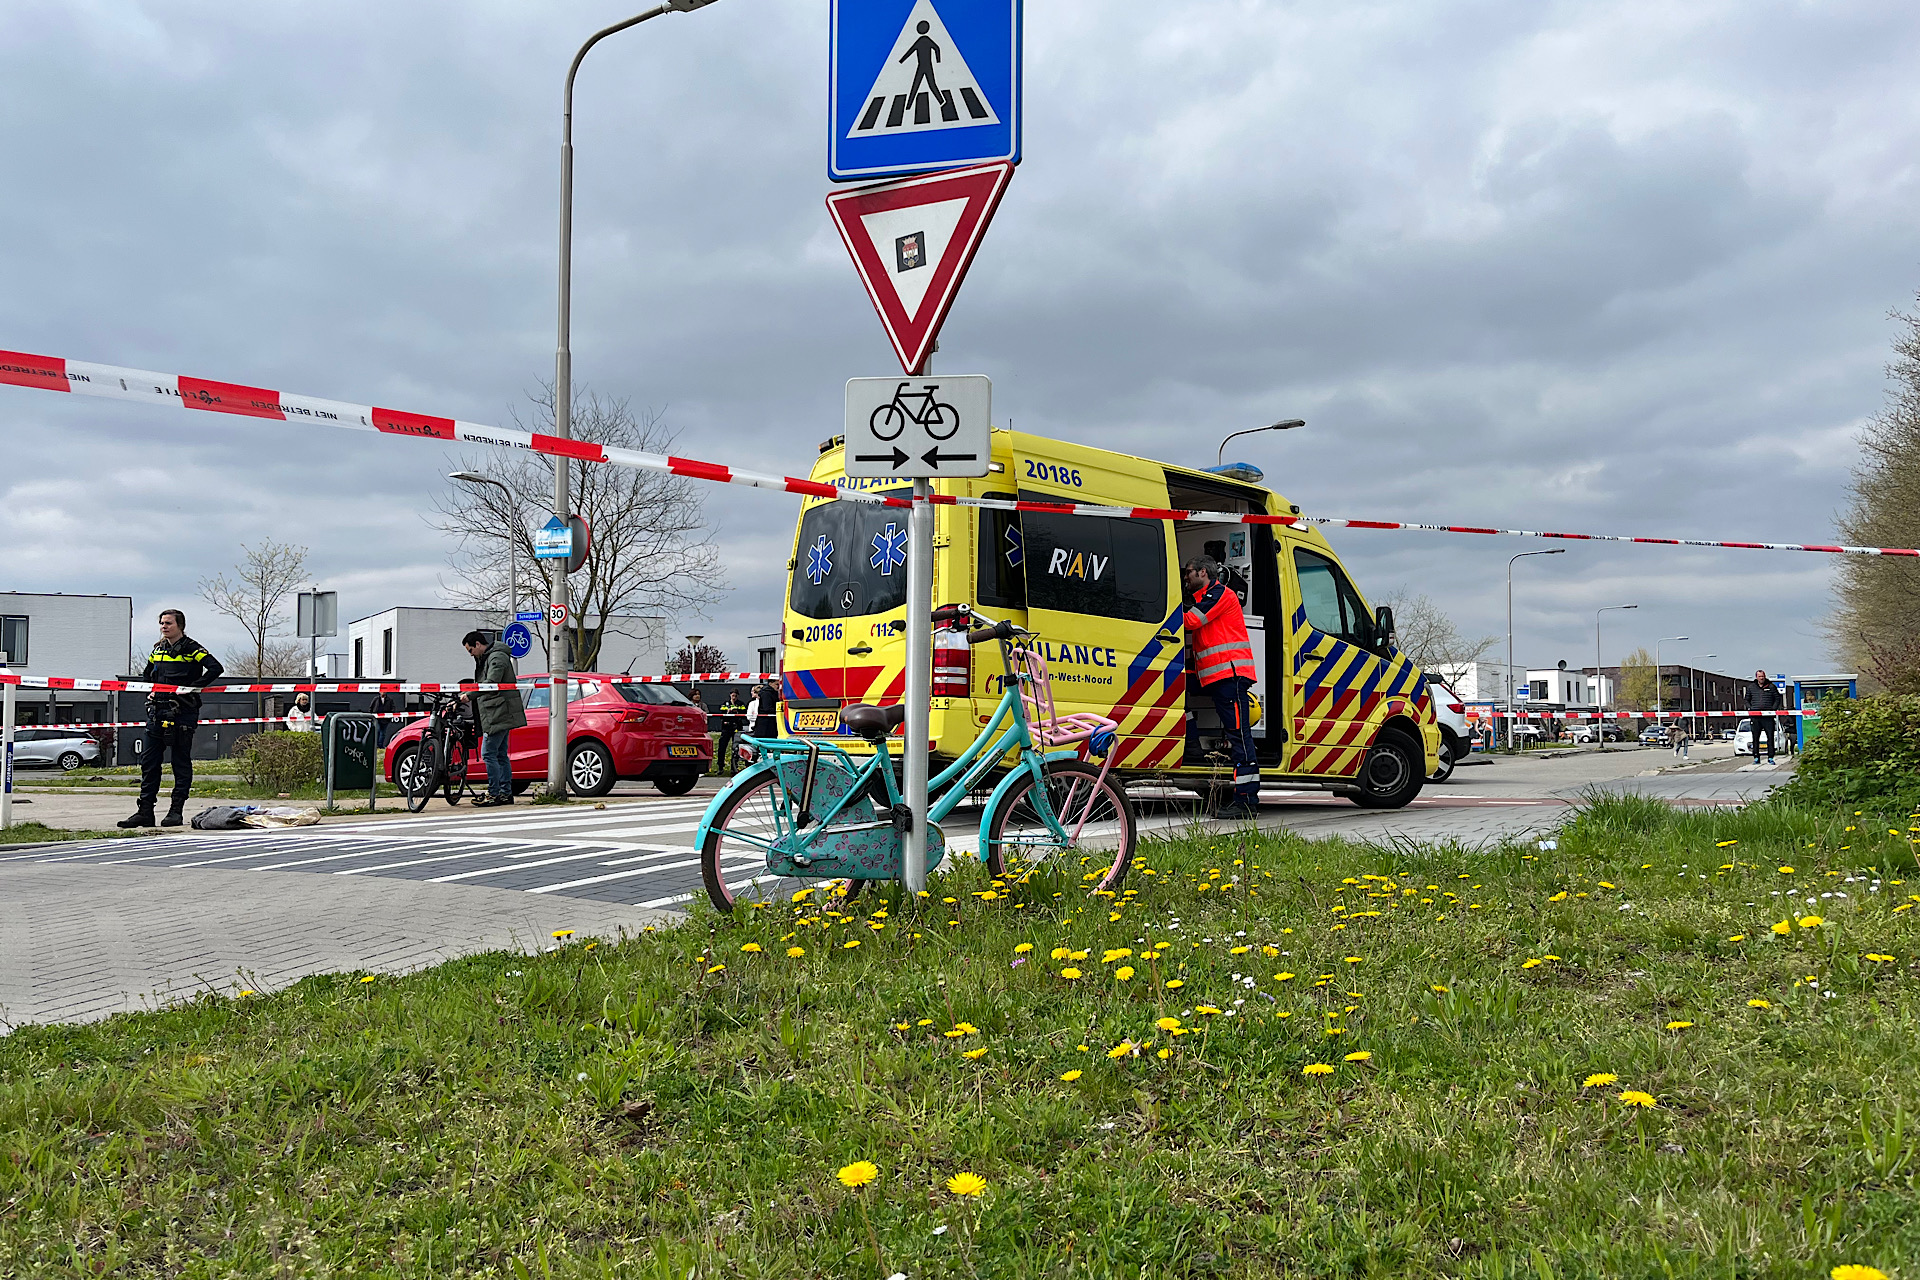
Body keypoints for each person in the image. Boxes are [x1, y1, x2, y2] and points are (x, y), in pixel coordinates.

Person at [119, 608, 224, 828]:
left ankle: (176, 811)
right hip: (157, 710)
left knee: (180, 762)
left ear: (180, 626)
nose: (164, 627)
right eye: (162, 623)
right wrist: (151, 689)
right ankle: (145, 811)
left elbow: (215, 668)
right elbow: (148, 673)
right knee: (149, 763)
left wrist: (192, 688)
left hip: (183, 712)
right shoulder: (158, 649)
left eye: (168, 623)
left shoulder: (193, 648)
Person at [1181, 555, 1259, 817]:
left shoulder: (1219, 594)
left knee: (1239, 736)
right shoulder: (1206, 597)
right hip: (1217, 677)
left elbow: (1191, 622)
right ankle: (1192, 745)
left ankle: (1246, 801)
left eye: (1189, 572)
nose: (1186, 577)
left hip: (1230, 676)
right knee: (1176, 693)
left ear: (1203, 572)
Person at [462, 629, 526, 806]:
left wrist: (470, 694)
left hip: (499, 712)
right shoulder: (490, 657)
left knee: (489, 753)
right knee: (500, 754)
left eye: (470, 650)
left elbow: (492, 683)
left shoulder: (496, 658)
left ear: (478, 645)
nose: (471, 654)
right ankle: (505, 793)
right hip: (498, 711)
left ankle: (494, 793)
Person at [1745, 669, 1782, 764]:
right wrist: (1751, 708)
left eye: (1763, 676)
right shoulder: (1751, 687)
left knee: (1770, 737)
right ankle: (1756, 757)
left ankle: (1770, 757)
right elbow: (1746, 700)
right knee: (1755, 737)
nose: (1761, 678)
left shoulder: (1771, 687)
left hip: (1768, 717)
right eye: (1759, 676)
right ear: (1756, 677)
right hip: (1756, 716)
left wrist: (1773, 709)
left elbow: (1777, 699)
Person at [714, 690, 748, 773]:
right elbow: (721, 714)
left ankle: (734, 767)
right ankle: (720, 767)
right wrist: (727, 712)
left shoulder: (741, 704)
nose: (734, 697)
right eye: (733, 696)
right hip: (726, 727)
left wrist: (737, 711)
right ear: (730, 695)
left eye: (735, 696)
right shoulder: (725, 704)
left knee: (736, 748)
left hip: (737, 727)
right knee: (722, 747)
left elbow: (744, 713)